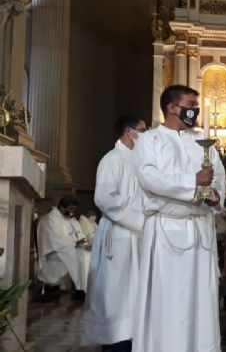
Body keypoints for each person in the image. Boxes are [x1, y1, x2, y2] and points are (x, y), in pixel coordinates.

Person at [133, 85, 226, 352]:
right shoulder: (150, 140)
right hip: (166, 231)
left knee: (201, 301)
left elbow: (218, 177)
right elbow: (150, 178)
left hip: (200, 231)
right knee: (169, 300)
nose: (194, 110)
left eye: (196, 105)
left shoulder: (201, 140)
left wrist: (215, 196)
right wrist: (193, 182)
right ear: (172, 107)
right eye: (190, 104)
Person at [85, 115, 147, 352]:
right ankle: (114, 346)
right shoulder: (112, 159)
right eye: (142, 130)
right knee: (116, 295)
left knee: (134, 296)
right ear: (130, 132)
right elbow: (104, 198)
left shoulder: (139, 161)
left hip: (138, 237)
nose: (145, 134)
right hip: (119, 237)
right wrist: (139, 218)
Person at [37, 196, 91, 297]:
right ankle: (80, 290)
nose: (72, 212)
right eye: (71, 209)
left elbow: (78, 234)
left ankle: (84, 289)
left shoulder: (67, 218)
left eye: (74, 210)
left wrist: (84, 244)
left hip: (67, 248)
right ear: (62, 207)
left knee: (88, 255)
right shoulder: (51, 218)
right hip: (53, 251)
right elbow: (55, 240)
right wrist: (74, 243)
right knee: (82, 257)